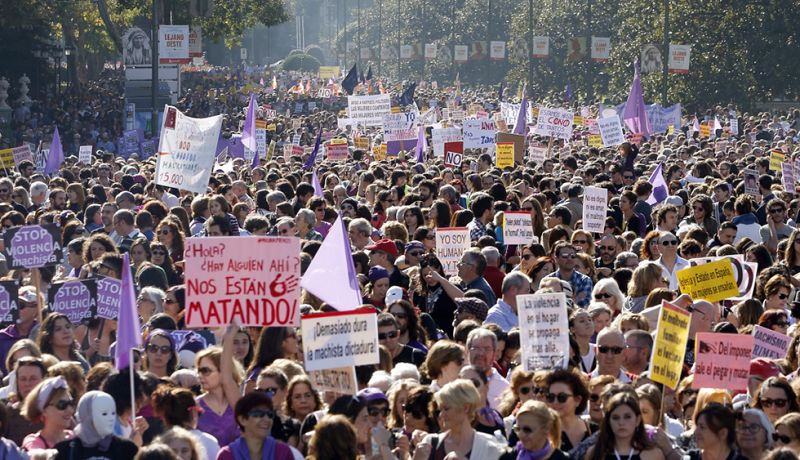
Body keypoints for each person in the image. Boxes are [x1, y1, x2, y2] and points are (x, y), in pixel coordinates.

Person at [414, 379, 506, 460]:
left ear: (465, 407)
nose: (441, 415)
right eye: (440, 410)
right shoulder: (430, 443)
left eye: (446, 409)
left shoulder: (490, 446)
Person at [215, 392, 293, 460]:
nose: (266, 419)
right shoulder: (227, 455)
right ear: (242, 419)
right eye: (258, 414)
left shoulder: (282, 452)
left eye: (270, 414)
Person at [584, 393, 663, 460]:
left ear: (638, 420)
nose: (621, 422)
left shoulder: (653, 455)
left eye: (627, 417)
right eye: (615, 417)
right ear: (608, 421)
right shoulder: (594, 453)